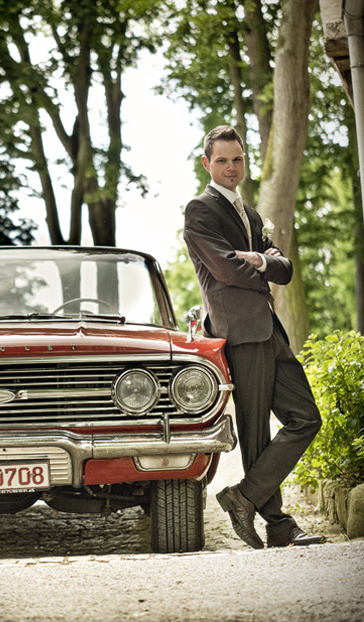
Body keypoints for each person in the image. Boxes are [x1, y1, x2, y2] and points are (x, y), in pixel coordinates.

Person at [183, 126, 323, 549]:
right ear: (207, 164)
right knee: (256, 428)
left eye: (237, 159)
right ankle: (278, 525)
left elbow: (285, 269)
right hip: (239, 333)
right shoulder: (200, 210)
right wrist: (265, 264)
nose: (231, 167)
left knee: (305, 417)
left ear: (245, 162)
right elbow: (226, 270)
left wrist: (261, 258)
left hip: (268, 328)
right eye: (222, 160)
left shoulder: (254, 215)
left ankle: (243, 496)